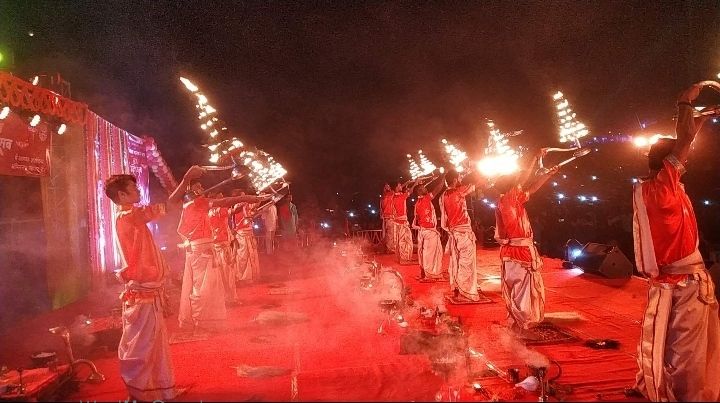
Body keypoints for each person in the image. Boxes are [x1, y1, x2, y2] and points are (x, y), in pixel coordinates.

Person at [629, 82, 719, 402]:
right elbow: (682, 143)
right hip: (684, 283)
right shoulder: (665, 188)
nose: (687, 158)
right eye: (681, 156)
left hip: (666, 281)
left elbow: (683, 142)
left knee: (660, 338)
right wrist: (684, 104)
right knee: (688, 350)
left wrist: (701, 119)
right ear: (668, 163)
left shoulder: (650, 188)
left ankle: (652, 384)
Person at [104, 168, 201, 401]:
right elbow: (168, 204)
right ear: (122, 195)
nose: (138, 191)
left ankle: (158, 390)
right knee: (142, 345)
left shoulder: (129, 215)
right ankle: (140, 392)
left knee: (153, 344)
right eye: (133, 189)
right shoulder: (128, 217)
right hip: (142, 290)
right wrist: (186, 178)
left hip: (148, 290)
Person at [169, 170, 268, 331]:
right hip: (202, 250)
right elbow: (227, 202)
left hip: (206, 248)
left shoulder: (195, 205)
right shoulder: (196, 203)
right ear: (192, 192)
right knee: (203, 286)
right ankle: (201, 320)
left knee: (210, 285)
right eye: (199, 187)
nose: (202, 188)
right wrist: (246, 198)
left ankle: (206, 320)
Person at [494, 149, 558, 334]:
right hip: (518, 250)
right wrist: (534, 158)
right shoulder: (509, 198)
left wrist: (547, 175)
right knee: (524, 291)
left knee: (518, 290)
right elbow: (523, 179)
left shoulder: (508, 199)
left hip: (512, 252)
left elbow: (531, 188)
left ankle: (517, 322)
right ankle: (523, 325)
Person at [440, 169, 487, 302]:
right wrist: (480, 172)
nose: (461, 180)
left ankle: (457, 287)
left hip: (454, 232)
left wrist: (467, 172)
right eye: (459, 178)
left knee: (457, 262)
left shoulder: (444, 195)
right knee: (466, 262)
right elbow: (479, 182)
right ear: (455, 180)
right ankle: (465, 291)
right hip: (463, 233)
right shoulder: (458, 191)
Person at [412, 172, 446, 280]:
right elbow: (438, 189)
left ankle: (424, 273)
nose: (425, 188)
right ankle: (430, 274)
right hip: (429, 231)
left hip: (422, 231)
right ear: (419, 191)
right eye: (422, 188)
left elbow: (417, 218)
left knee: (423, 253)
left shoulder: (417, 203)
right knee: (430, 254)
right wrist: (443, 176)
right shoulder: (426, 198)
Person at [208, 192, 238, 306]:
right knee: (227, 273)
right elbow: (234, 211)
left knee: (221, 273)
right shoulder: (219, 210)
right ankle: (229, 299)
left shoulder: (211, 211)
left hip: (216, 244)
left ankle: (223, 298)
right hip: (222, 244)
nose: (223, 199)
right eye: (221, 198)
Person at [230, 190, 261, 283]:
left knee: (252, 254)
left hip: (249, 232)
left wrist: (260, 196)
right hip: (241, 234)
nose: (246, 197)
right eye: (243, 196)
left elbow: (256, 205)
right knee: (243, 256)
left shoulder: (246, 205)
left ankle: (252, 277)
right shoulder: (237, 206)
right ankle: (242, 277)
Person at [392, 178, 422, 264]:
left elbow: (405, 189)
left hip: (399, 222)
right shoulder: (400, 197)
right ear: (396, 187)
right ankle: (405, 259)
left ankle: (402, 258)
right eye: (399, 185)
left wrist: (408, 182)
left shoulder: (395, 196)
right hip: (402, 223)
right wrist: (415, 183)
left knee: (401, 241)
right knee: (405, 241)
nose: (401, 186)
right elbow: (410, 191)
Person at [380, 183, 396, 253]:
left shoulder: (385, 196)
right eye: (386, 186)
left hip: (386, 217)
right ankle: (390, 249)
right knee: (390, 234)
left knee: (387, 234)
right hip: (388, 217)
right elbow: (381, 207)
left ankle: (387, 248)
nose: (388, 187)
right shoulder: (387, 195)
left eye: (388, 186)